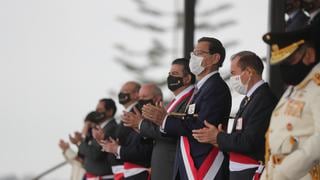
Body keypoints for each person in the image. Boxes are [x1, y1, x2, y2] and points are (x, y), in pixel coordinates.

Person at [142, 37, 232, 180]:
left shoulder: (216, 87)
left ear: (215, 58)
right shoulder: (200, 89)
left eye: (199, 53)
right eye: (193, 53)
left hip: (203, 164)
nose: (193, 57)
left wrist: (164, 120)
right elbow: (189, 121)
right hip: (188, 162)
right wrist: (165, 120)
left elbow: (201, 127)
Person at [192, 51, 278, 180]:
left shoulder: (263, 99)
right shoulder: (250, 98)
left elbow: (250, 141)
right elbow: (241, 135)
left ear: (249, 72)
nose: (232, 78)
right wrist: (220, 139)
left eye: (233, 73)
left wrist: (219, 137)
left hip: (251, 171)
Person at [261, 23, 320, 180]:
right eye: (281, 62)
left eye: (290, 60)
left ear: (309, 55)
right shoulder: (296, 87)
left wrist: (286, 171)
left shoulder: (317, 87)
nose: (284, 68)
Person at [125, 59, 196, 180]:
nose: (170, 77)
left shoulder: (190, 100)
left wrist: (141, 124)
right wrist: (140, 127)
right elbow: (162, 129)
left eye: (174, 74)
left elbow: (172, 132)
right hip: (162, 166)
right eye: (169, 74)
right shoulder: (173, 102)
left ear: (187, 79)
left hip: (171, 166)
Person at [100, 82, 153, 180]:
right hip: (126, 170)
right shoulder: (126, 113)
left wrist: (117, 148)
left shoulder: (140, 111)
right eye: (120, 91)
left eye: (125, 91)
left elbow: (142, 143)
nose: (121, 94)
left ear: (137, 94)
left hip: (138, 171)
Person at [78, 98, 118, 180]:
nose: (96, 112)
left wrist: (80, 142)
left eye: (100, 110)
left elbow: (96, 154)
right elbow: (83, 154)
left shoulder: (111, 128)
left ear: (110, 111)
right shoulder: (99, 128)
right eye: (96, 110)